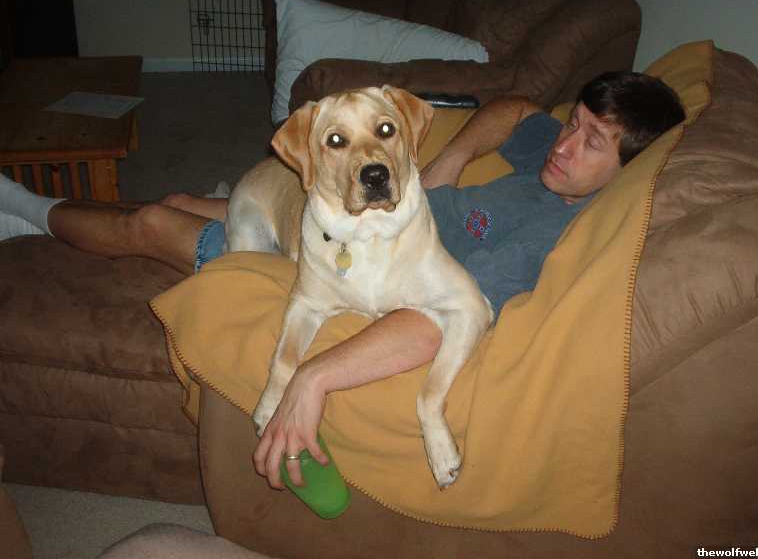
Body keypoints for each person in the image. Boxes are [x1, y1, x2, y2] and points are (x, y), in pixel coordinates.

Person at [0, 71, 685, 488]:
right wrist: (442, 166)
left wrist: (312, 377)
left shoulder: (549, 233)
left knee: (150, 223)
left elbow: (438, 320)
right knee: (182, 200)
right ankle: (226, 203)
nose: (564, 145)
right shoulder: (555, 160)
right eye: (574, 124)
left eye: (592, 141)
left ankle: (23, 209)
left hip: (354, 248)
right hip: (348, 209)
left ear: (627, 171)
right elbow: (515, 108)